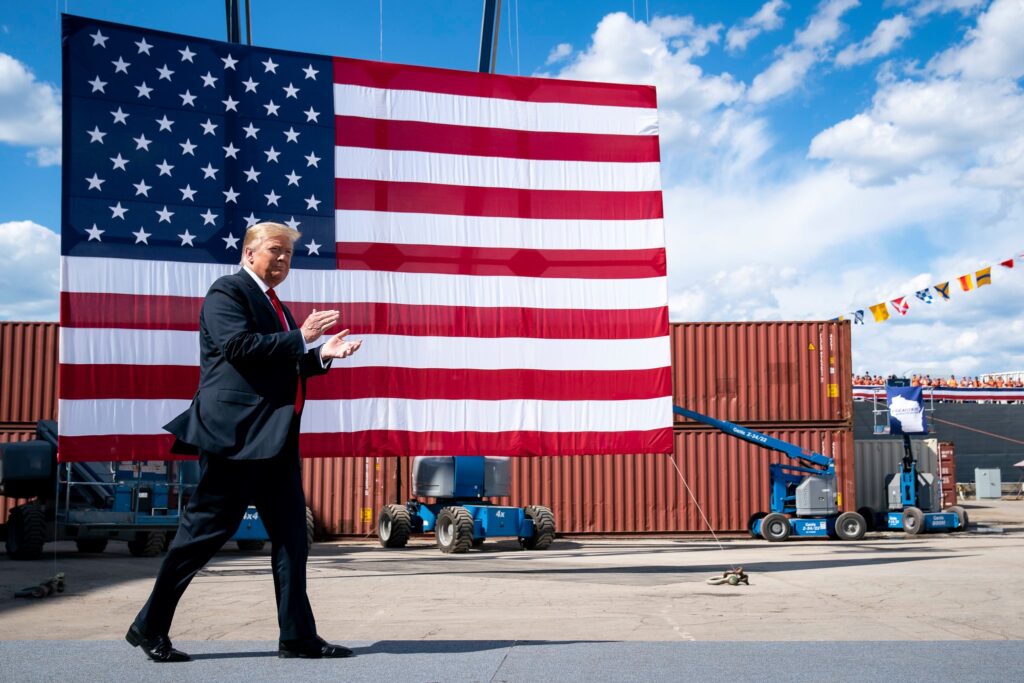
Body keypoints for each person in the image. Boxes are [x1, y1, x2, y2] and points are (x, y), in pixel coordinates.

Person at [126, 222, 362, 662]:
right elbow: (238, 348)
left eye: (289, 254)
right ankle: (148, 625)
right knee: (201, 538)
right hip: (234, 439)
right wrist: (301, 338)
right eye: (275, 250)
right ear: (249, 252)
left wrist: (320, 357)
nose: (283, 260)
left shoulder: (280, 308)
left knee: (293, 539)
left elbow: (279, 365)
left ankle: (296, 636)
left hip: (275, 442)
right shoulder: (227, 292)